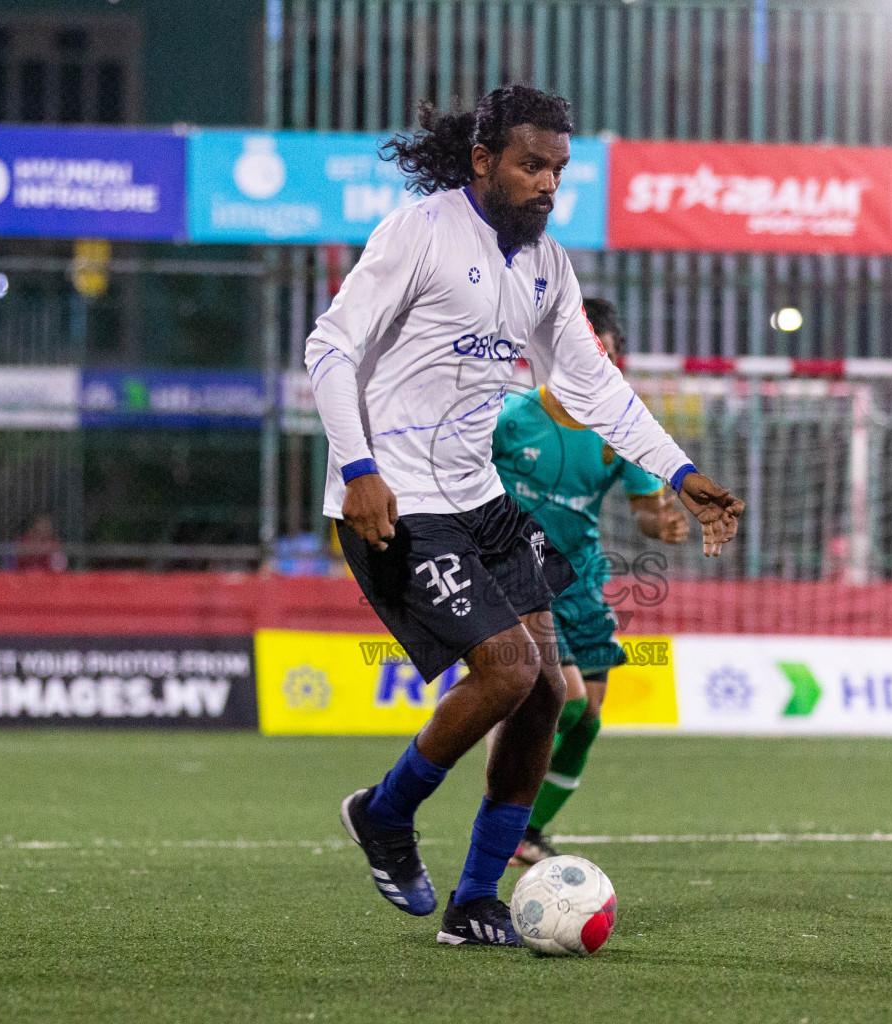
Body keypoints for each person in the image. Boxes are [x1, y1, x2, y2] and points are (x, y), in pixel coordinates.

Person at [305, 85, 744, 947]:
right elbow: (331, 345)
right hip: (395, 501)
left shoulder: (547, 266)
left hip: (480, 500)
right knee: (506, 671)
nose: (547, 184)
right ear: (483, 161)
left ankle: (474, 904)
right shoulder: (421, 231)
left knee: (546, 692)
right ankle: (385, 814)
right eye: (530, 164)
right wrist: (357, 469)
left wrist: (680, 470)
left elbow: (594, 386)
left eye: (558, 170)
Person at [491, 297, 691, 865]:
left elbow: (646, 507)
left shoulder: (622, 427)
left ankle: (526, 832)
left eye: (601, 351)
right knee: (568, 702)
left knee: (590, 718)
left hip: (581, 581)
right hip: (516, 572)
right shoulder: (511, 419)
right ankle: (501, 817)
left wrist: (664, 523)